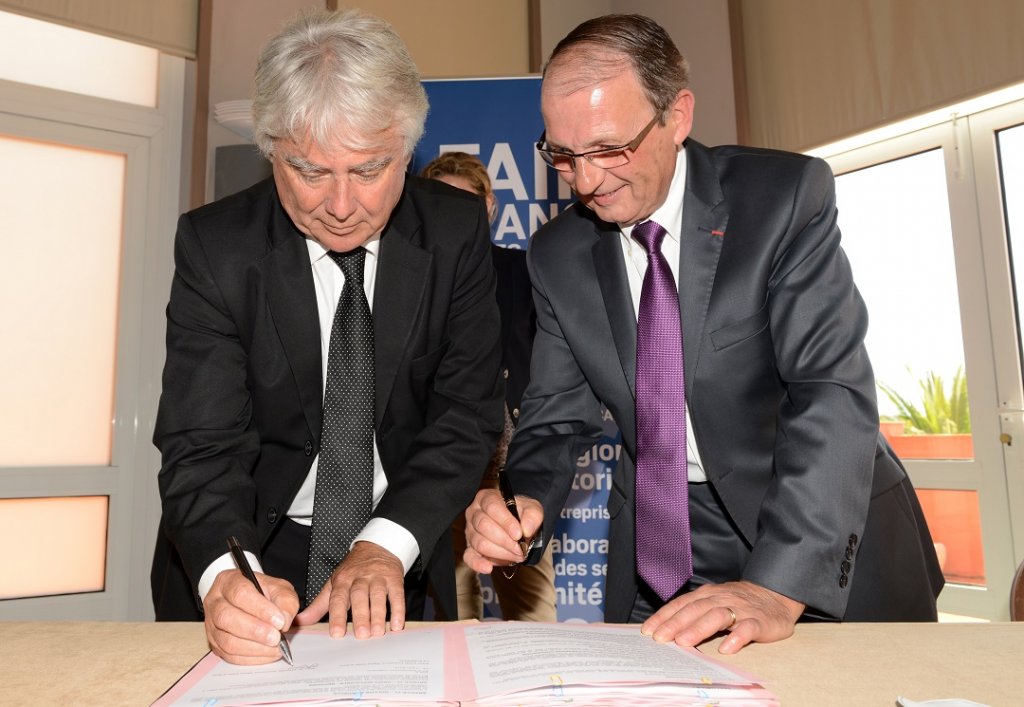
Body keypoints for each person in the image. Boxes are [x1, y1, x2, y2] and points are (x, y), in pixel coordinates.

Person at [464, 14, 944, 654]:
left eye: (609, 149)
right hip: (665, 539)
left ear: (677, 115)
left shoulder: (782, 200)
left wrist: (776, 586)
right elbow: (554, 418)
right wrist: (520, 503)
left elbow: (829, 394)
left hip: (813, 523)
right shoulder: (557, 254)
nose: (585, 181)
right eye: (563, 155)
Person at [150, 9, 504, 665]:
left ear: (407, 149)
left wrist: (383, 544)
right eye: (310, 171)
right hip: (251, 544)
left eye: (369, 170)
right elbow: (201, 444)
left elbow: (464, 416)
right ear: (270, 148)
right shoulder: (216, 248)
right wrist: (227, 577)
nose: (341, 205)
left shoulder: (454, 234)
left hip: (401, 544)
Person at [420, 152, 557, 622]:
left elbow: (551, 366)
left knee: (534, 615)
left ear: (490, 207)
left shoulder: (524, 272)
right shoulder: (414, 284)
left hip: (511, 466)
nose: (456, 214)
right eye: (441, 202)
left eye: (468, 202)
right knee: (454, 613)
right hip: (441, 463)